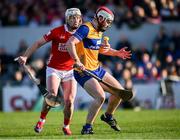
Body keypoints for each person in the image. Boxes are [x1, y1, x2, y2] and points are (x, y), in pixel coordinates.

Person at [66, 6, 132, 134]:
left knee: (119, 92)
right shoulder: (85, 28)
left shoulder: (99, 30)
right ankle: (87, 127)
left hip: (96, 69)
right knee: (100, 97)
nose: (108, 24)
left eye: (110, 22)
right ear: (100, 18)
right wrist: (77, 61)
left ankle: (108, 116)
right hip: (82, 72)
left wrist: (116, 53)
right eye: (107, 21)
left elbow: (98, 49)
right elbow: (70, 43)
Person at [16, 8, 82, 135]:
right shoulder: (57, 31)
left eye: (78, 18)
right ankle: (42, 119)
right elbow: (38, 43)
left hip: (70, 70)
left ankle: (66, 126)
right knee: (51, 95)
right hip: (54, 69)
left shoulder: (81, 33)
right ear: (67, 19)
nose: (76, 20)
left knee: (69, 101)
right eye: (73, 18)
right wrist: (25, 56)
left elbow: (93, 47)